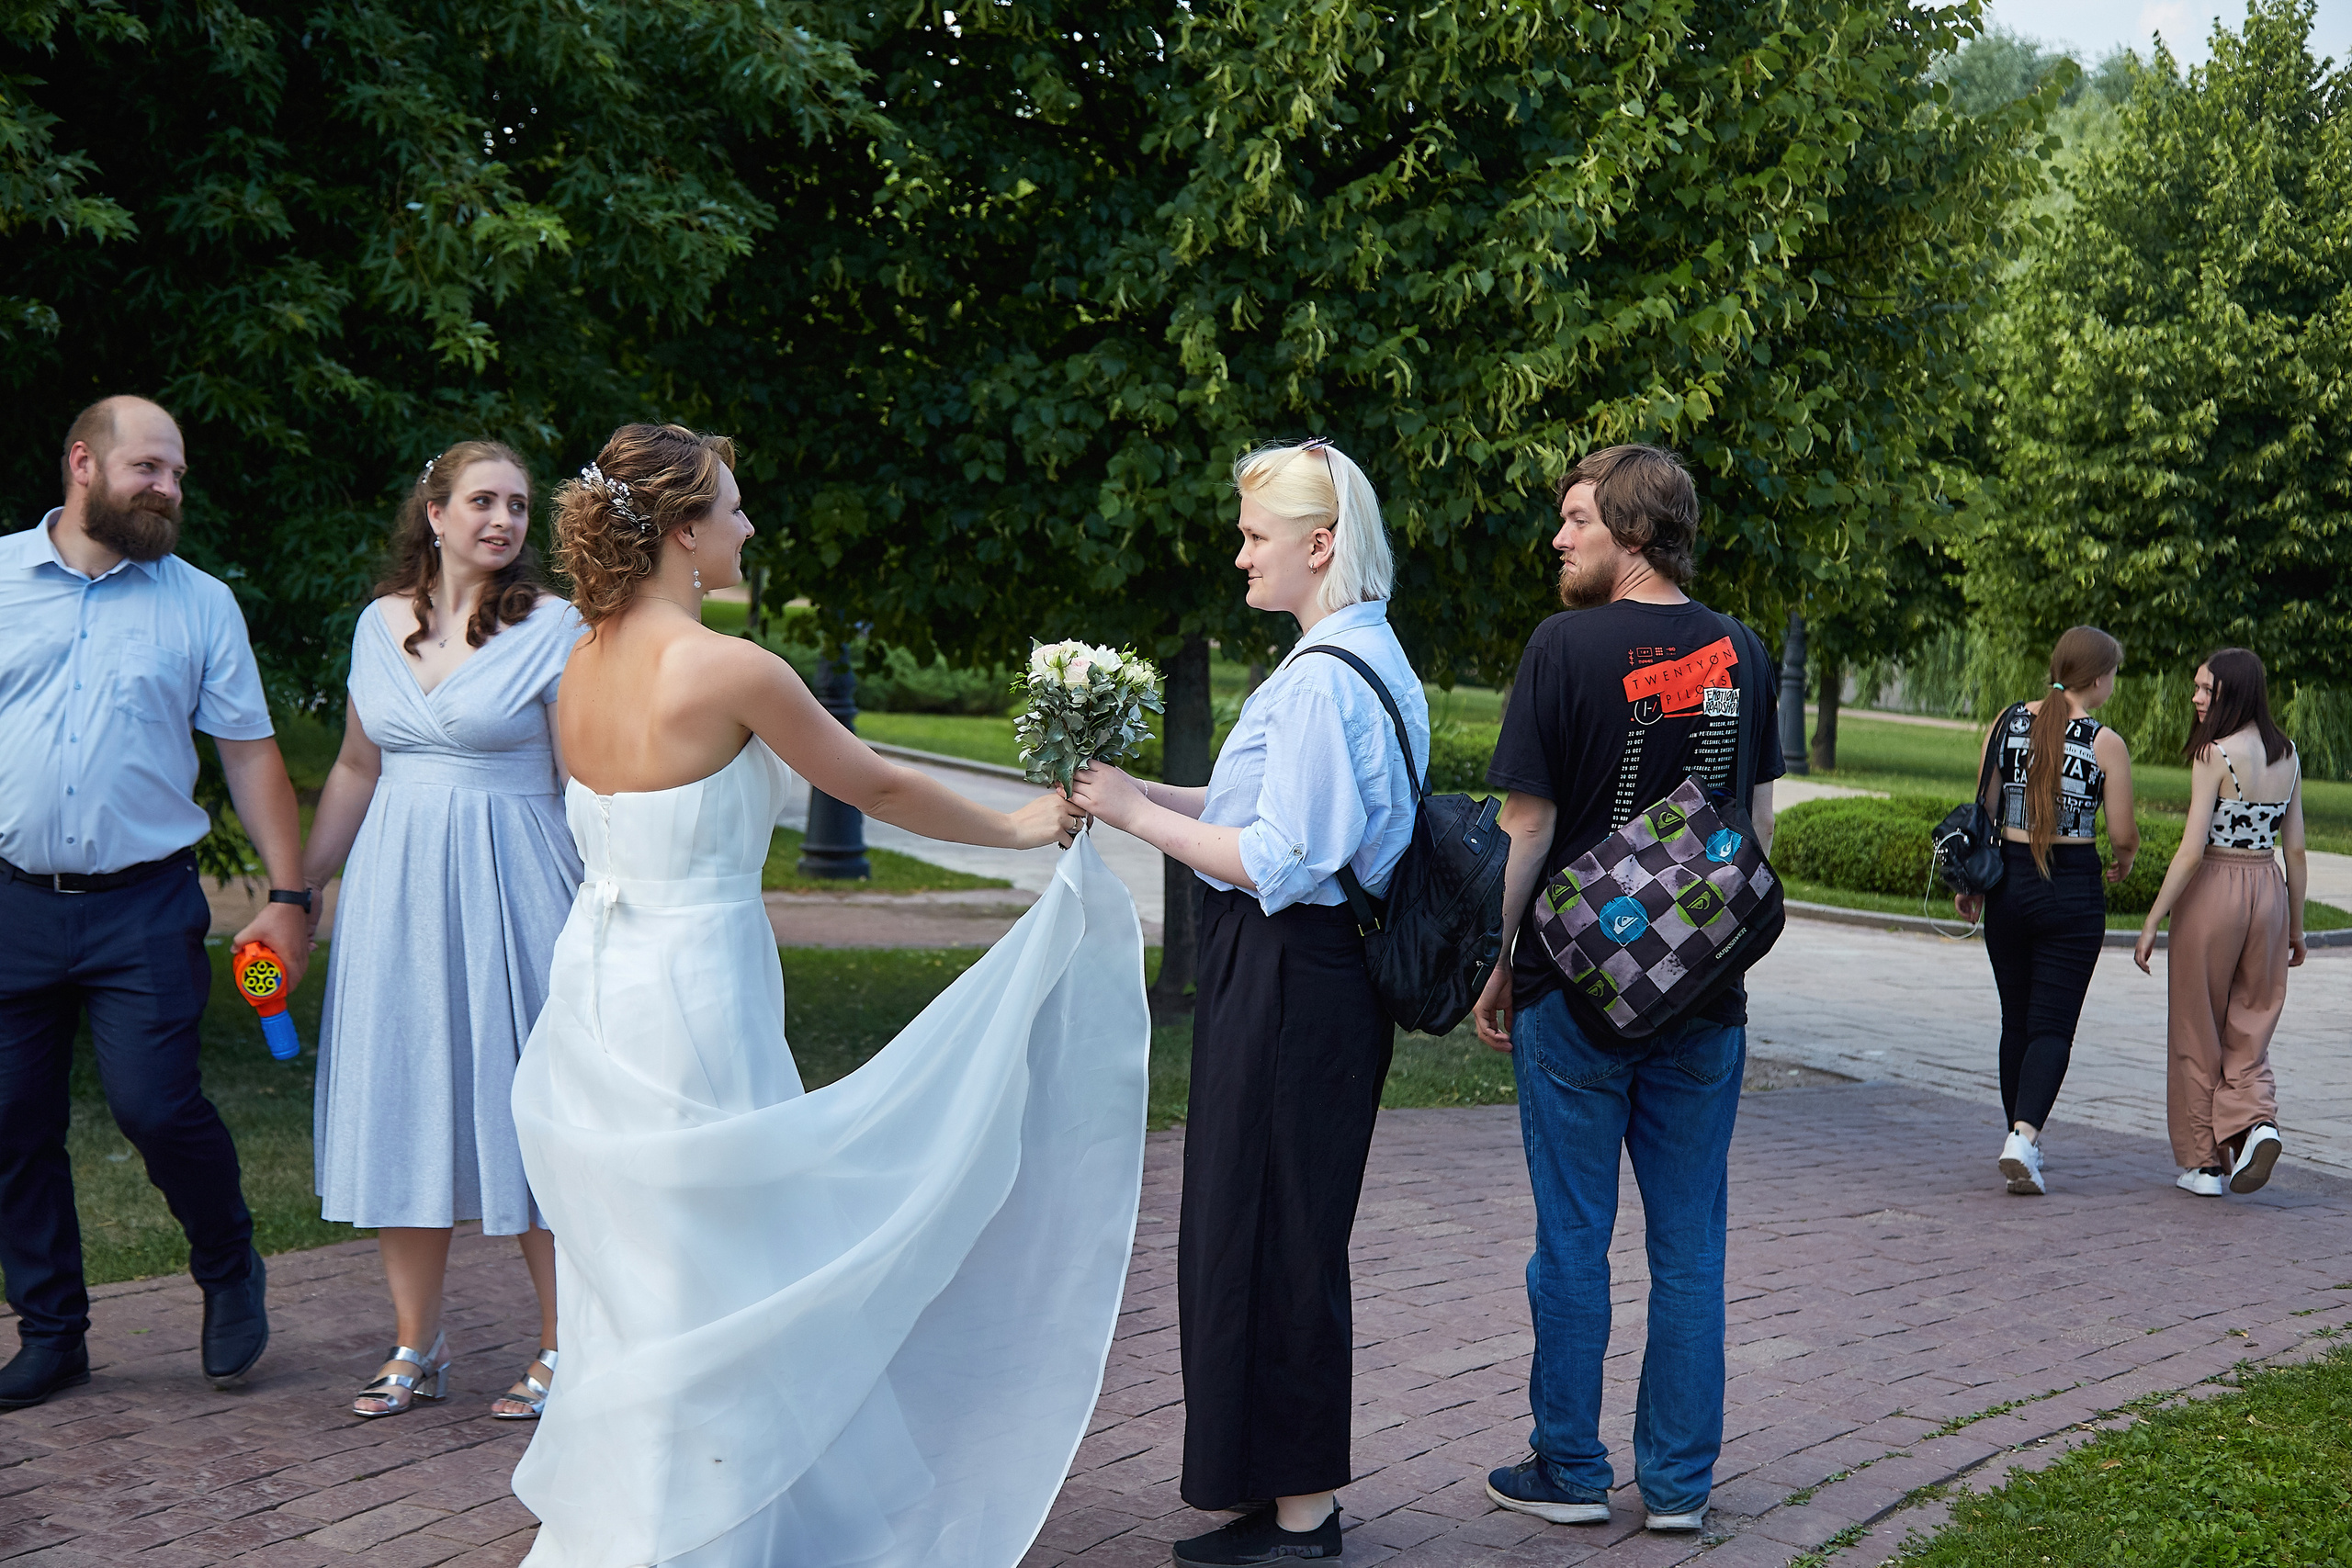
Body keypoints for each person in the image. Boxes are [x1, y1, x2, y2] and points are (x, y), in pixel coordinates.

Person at [508, 423, 1148, 1568]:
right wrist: (1016, 823)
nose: (750, 528)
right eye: (735, 511)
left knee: (641, 1264)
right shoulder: (730, 668)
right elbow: (877, 781)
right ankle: (702, 1531)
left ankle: (654, 1514)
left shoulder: (579, 664)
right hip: (694, 992)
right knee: (726, 1263)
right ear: (683, 533)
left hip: (594, 986)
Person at [1069, 437, 1425, 1567]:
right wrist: (1122, 790)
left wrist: (1131, 812)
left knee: (1273, 1239)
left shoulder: (1326, 675)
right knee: (1258, 1231)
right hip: (1296, 979)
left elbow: (1277, 857)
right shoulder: (1347, 657)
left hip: (1292, 977)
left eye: (1254, 537)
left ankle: (1304, 1515)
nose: (1239, 557)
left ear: (1319, 546)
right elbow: (1248, 806)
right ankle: (1275, 1494)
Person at [1465, 444, 1781, 1536]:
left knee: (1571, 1238)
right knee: (1690, 1245)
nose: (1559, 538)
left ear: (1632, 534)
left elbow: (1530, 825)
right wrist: (1719, 960)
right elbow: (1756, 833)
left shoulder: (1561, 647)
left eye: (1575, 520)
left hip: (1575, 991)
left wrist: (1497, 959)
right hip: (1704, 998)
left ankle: (1570, 1469)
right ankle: (1681, 1490)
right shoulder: (1742, 650)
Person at [0, 396, 310, 1410]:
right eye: (149, 469)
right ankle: (53, 1334)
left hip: (143, 905)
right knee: (11, 1125)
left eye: (177, 474)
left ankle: (229, 1265)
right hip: (12, 905)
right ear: (81, 462)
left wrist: (289, 893)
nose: (168, 490)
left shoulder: (199, 601)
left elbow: (250, 751)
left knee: (155, 1106)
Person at [301, 442, 584, 1419]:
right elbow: (353, 767)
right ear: (434, 511)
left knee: (531, 1109)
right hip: (395, 893)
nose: (502, 520)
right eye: (481, 501)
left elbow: (580, 776)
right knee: (402, 1100)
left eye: (516, 505)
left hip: (519, 884)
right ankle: (418, 1343)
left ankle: (565, 1346)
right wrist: (301, 888)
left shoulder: (558, 628)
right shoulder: (378, 626)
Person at [1954, 626, 2138, 1197]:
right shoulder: (2105, 742)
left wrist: (1972, 883)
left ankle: (2018, 1135)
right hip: (2072, 888)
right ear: (2100, 679)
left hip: (2007, 880)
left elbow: (1983, 808)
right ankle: (2025, 1137)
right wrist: (2125, 862)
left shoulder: (2007, 723)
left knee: (2018, 1019)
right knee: (2053, 1024)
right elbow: (2122, 833)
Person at [2133, 649, 2304, 1196]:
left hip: (2214, 888)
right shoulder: (2289, 754)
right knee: (2251, 1022)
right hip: (2268, 890)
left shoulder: (2214, 755)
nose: (2196, 698)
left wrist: (2153, 918)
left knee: (2196, 1024)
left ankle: (2204, 1163)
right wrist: (2295, 926)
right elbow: (2296, 852)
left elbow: (2189, 850)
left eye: (2206, 689)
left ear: (2234, 692)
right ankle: (2258, 1125)